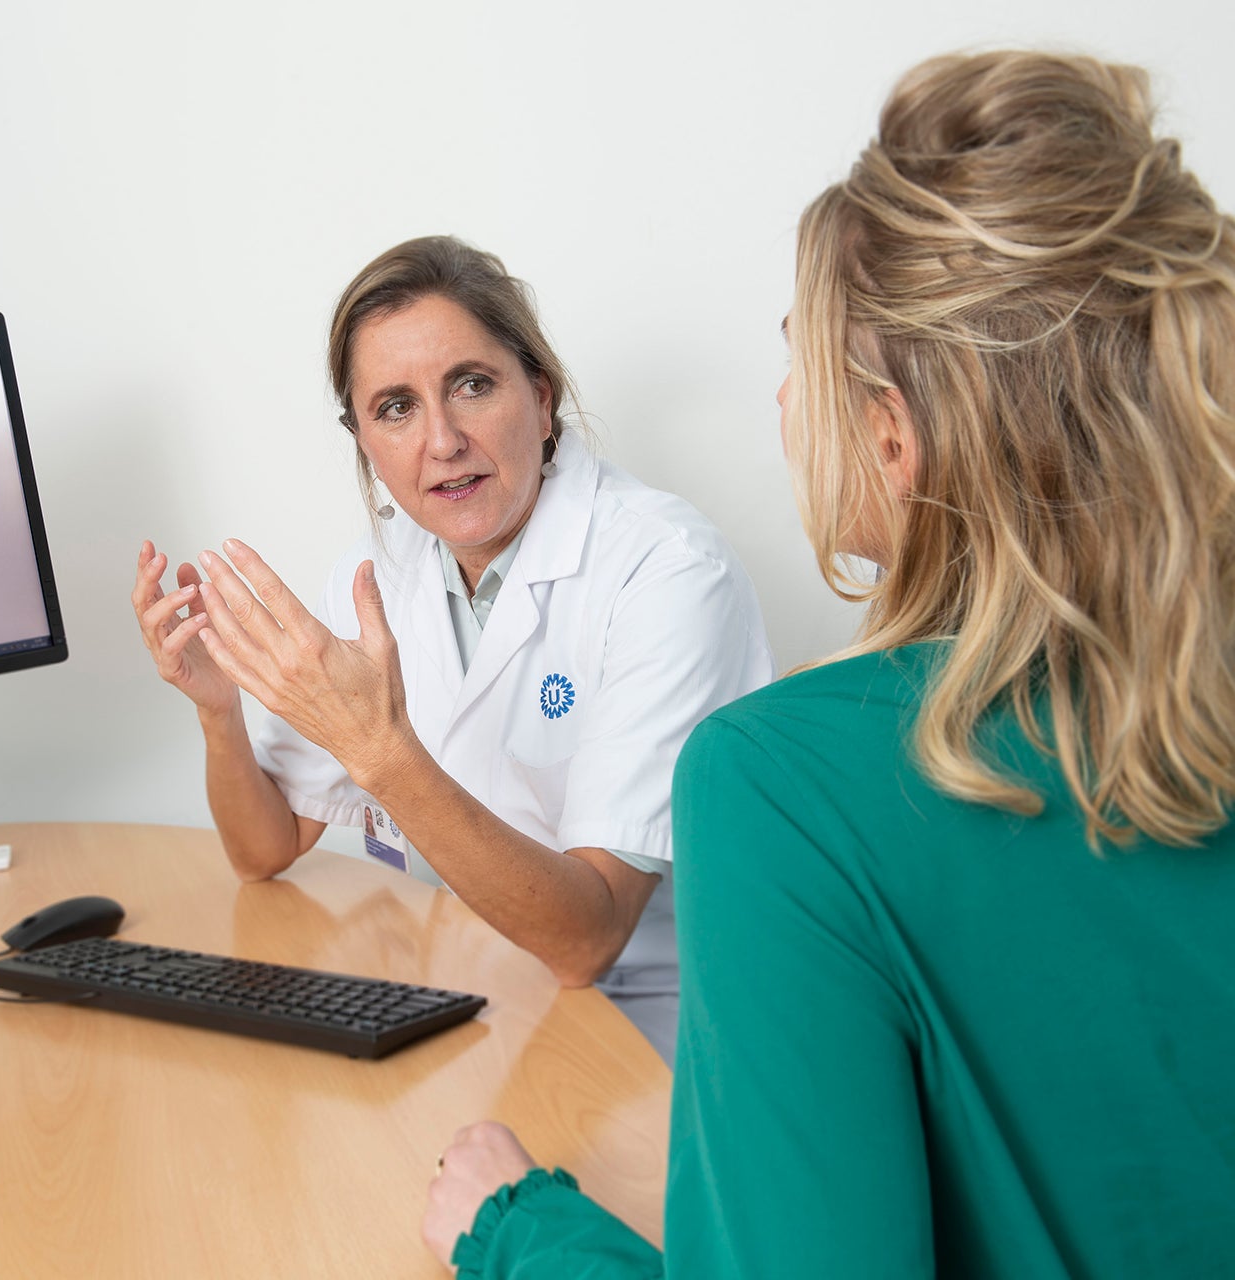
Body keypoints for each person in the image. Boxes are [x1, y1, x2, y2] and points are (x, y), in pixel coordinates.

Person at [422, 51, 1235, 1277]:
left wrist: (519, 1230)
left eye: (799, 359)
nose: (782, 399)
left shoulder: (786, 782)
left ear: (892, 439)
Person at [132, 236, 774, 1062]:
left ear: (540, 396)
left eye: (472, 385)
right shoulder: (376, 577)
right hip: (462, 1003)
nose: (442, 441)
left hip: (643, 1031)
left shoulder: (667, 571)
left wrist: (378, 750)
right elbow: (264, 849)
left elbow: (588, 939)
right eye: (396, 407)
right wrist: (219, 711)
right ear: (364, 439)